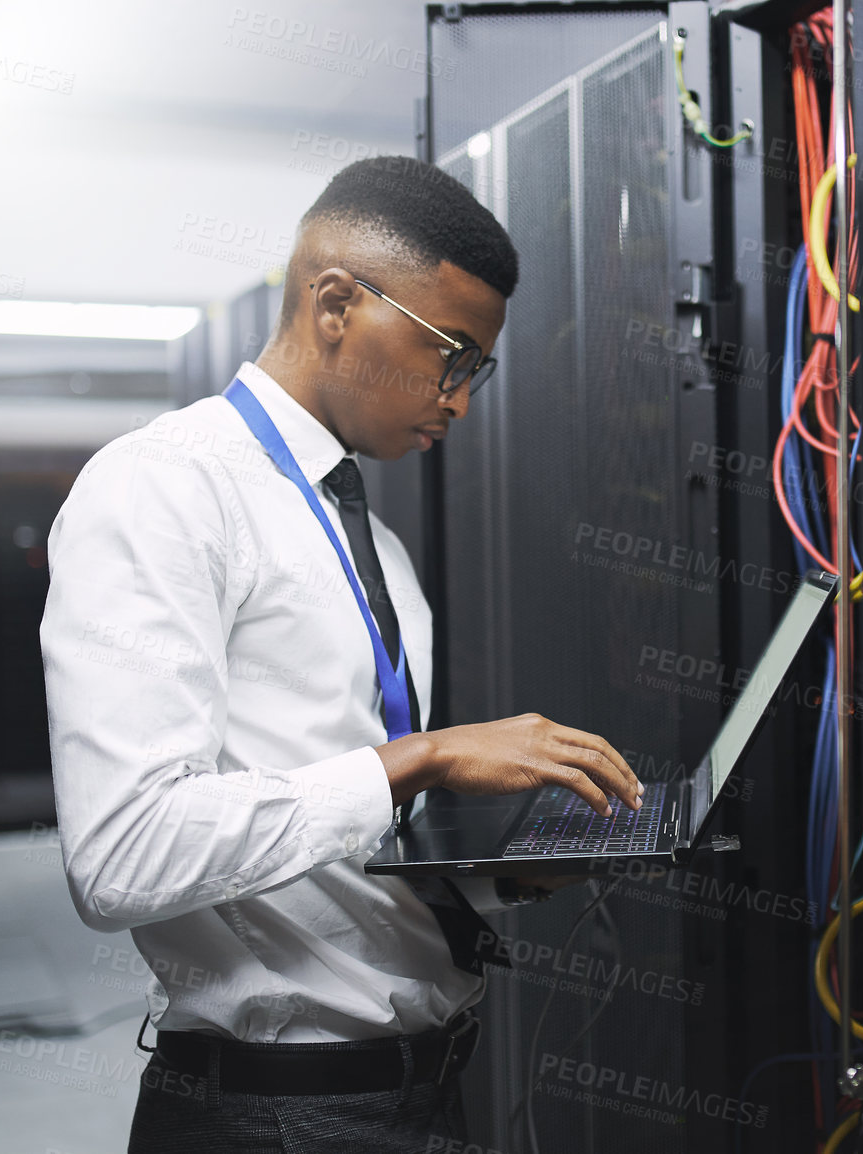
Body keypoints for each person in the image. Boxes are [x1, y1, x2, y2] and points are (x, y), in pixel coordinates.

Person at [39, 155, 642, 1154]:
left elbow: (336, 833)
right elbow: (121, 854)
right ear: (333, 305)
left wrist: (500, 876)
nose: (459, 398)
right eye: (450, 354)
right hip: (271, 1113)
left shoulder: (378, 546)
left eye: (476, 370)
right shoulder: (161, 490)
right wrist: (423, 756)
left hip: (421, 1087)